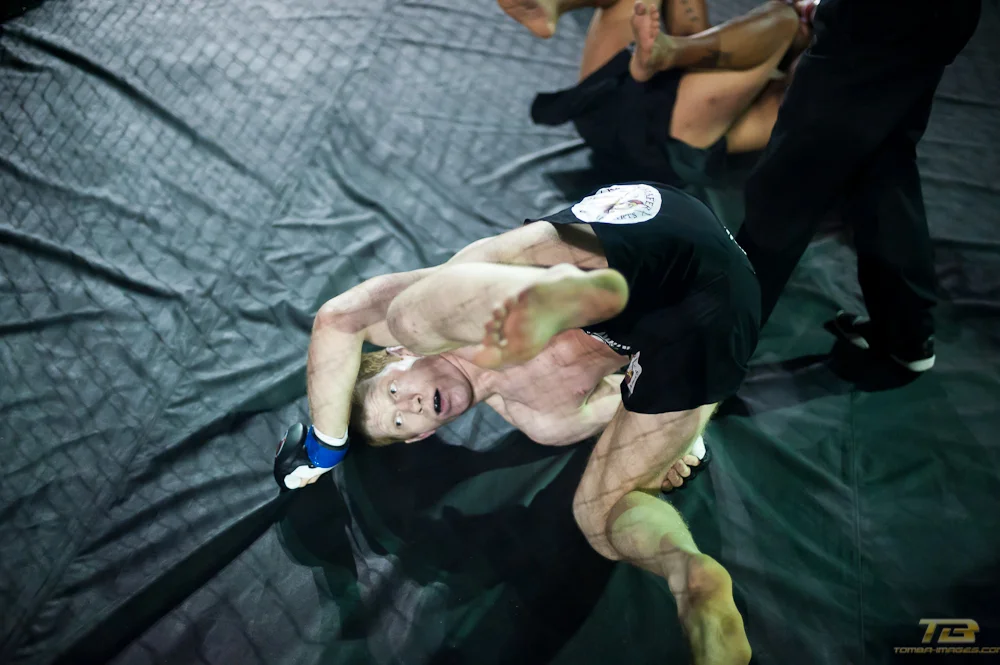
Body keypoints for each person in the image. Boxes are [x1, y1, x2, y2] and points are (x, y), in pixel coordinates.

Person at [291, 182, 759, 664]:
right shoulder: (544, 420)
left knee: (411, 314)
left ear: (397, 356)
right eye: (400, 422)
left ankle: (549, 296)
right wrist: (678, 441)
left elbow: (339, 319)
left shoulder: (432, 322)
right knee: (599, 516)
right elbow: (635, 408)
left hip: (632, 248)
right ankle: (693, 580)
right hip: (717, 318)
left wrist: (324, 447)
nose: (408, 405)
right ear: (423, 435)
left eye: (393, 391)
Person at [735, 0, 981, 371]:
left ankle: (706, 361)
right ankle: (905, 330)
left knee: (790, 180)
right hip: (941, 16)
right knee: (883, 161)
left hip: (881, 19)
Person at [504, 0, 811, 188]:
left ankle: (666, 53)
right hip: (604, 103)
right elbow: (693, 32)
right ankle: (545, 4)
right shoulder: (739, 53)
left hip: (662, 145)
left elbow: (805, 78)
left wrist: (803, 32)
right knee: (782, 21)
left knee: (784, 20)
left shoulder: (804, 91)